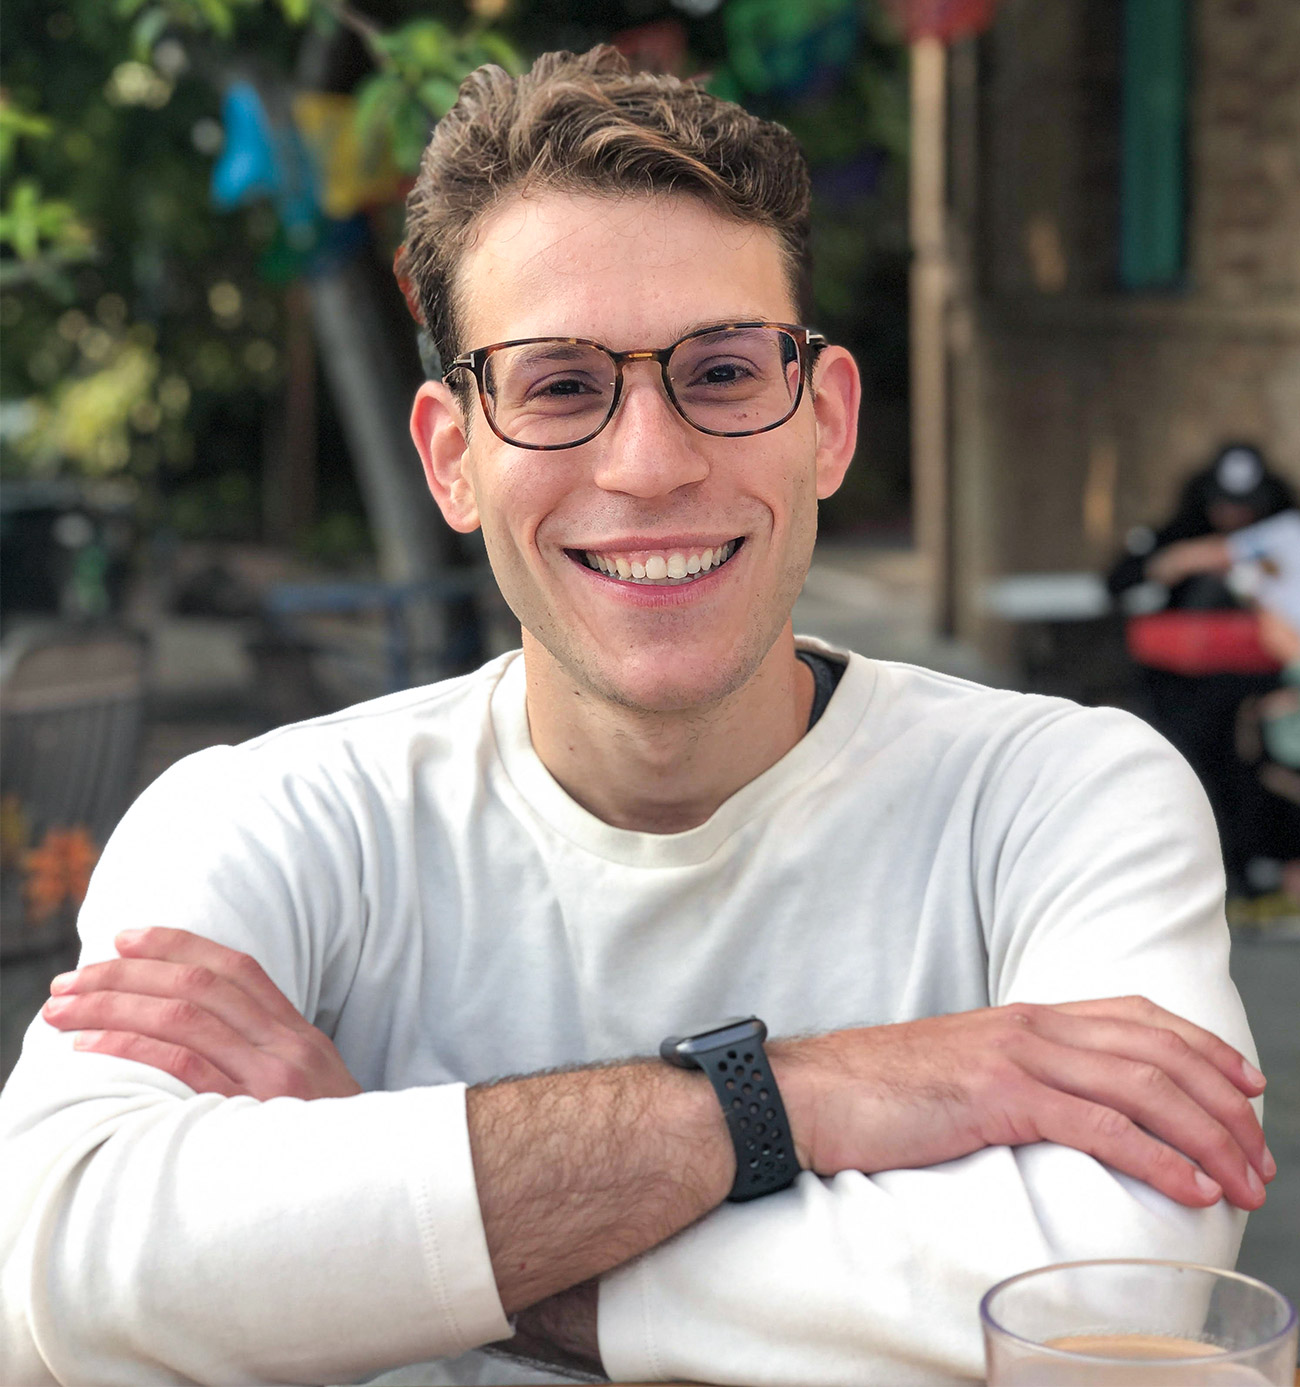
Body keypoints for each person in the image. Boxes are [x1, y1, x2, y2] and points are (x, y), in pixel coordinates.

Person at [0, 48, 1274, 1387]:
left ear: (826, 421)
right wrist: (790, 1097)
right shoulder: (264, 819)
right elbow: (49, 1271)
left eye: (723, 372)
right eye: (557, 384)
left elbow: (1122, 1294)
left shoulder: (1063, 797)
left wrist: (401, 1211)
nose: (652, 461)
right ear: (453, 457)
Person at [1107, 444, 1296, 889]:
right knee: (1189, 780)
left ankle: (1260, 871)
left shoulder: (1282, 540)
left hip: (1262, 692)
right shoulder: (1182, 539)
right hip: (1185, 696)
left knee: (1262, 783)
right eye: (1224, 505)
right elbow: (1124, 580)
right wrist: (1171, 564)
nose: (1233, 515)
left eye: (1245, 507)